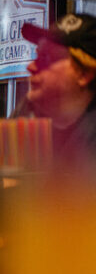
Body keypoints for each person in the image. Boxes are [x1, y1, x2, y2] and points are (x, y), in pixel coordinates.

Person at [22, 13, 96, 171]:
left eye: (46, 58)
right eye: (37, 56)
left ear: (83, 73)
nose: (31, 67)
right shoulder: (29, 112)